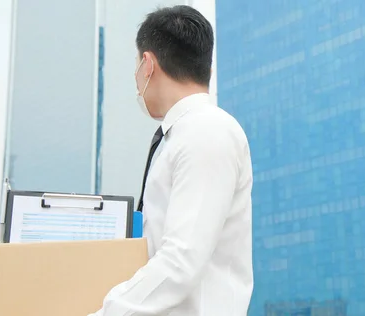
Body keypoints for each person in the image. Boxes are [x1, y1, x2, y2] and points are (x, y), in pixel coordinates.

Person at [89, 5, 253, 316]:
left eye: (136, 65)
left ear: (147, 64)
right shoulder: (180, 136)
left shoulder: (206, 130)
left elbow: (181, 261)